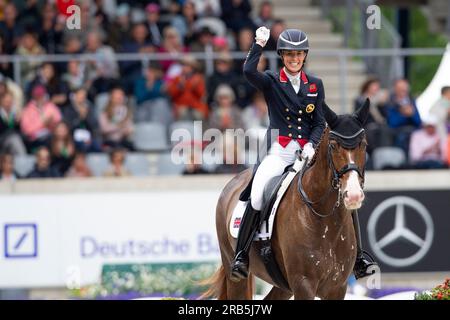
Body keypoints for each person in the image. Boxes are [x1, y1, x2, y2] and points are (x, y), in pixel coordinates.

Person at [230, 27, 377, 282]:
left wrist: (311, 144)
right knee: (257, 193)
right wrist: (258, 45)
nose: (294, 59)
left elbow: (319, 122)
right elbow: (248, 72)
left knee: (344, 193)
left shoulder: (315, 85)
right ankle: (242, 255)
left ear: (304, 56)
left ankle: (359, 256)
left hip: (309, 151)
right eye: (289, 55)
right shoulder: (272, 81)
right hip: (280, 150)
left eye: (298, 54)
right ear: (283, 56)